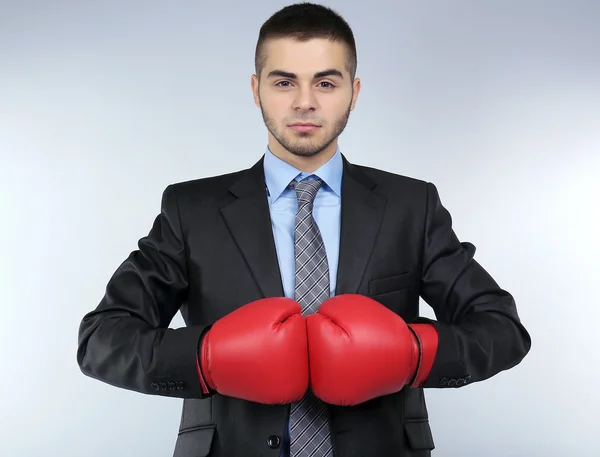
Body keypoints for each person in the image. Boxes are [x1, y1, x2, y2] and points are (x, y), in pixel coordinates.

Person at [76, 3, 531, 456]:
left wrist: (413, 352)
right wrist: (207, 359)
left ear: (354, 92)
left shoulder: (410, 206)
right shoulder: (191, 210)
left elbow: (501, 328)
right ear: (257, 89)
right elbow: (102, 339)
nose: (304, 102)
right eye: (284, 81)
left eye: (326, 83)